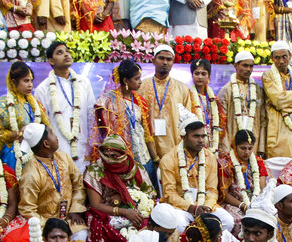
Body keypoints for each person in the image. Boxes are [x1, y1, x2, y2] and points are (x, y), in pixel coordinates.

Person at [84, 135, 157, 242]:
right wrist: (124, 211)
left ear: (123, 155)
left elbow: (150, 196)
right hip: (106, 213)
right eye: (106, 155)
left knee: (147, 228)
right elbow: (95, 204)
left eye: (114, 156)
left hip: (136, 210)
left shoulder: (135, 168)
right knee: (105, 231)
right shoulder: (95, 171)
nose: (110, 159)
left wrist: (133, 202)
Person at [95, 59, 157, 188]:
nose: (140, 81)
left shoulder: (141, 102)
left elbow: (147, 134)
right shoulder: (106, 102)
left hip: (143, 157)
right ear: (126, 81)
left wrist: (155, 158)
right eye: (136, 78)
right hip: (120, 158)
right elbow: (104, 135)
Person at [36, 41, 96, 174]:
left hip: (84, 141)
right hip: (59, 146)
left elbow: (92, 114)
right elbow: (43, 124)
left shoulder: (84, 82)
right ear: (51, 61)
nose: (66, 54)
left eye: (67, 51)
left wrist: (93, 143)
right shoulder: (43, 89)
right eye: (60, 52)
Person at [17, 123, 87, 231]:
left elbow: (78, 184)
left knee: (82, 235)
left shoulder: (63, 157)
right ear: (46, 143)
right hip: (46, 226)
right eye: (52, 134)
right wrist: (50, 226)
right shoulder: (31, 173)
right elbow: (27, 209)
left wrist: (75, 209)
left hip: (70, 219)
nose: (56, 136)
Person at [158, 105, 222, 223]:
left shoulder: (210, 157)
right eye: (196, 136)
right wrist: (192, 208)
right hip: (180, 207)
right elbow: (169, 193)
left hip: (205, 206)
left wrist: (206, 206)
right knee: (181, 224)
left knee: (227, 220)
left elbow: (212, 190)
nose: (201, 140)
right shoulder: (169, 159)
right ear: (183, 137)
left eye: (203, 136)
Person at [0, 61, 48, 174]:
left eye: (31, 81)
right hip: (13, 155)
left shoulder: (35, 104)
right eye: (26, 81)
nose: (30, 85)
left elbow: (47, 128)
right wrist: (21, 133)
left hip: (36, 153)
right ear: (14, 82)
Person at [141, 44, 192, 164]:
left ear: (173, 62)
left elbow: (187, 120)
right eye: (161, 58)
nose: (165, 62)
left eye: (169, 59)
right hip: (146, 146)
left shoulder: (182, 88)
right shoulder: (141, 86)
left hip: (174, 145)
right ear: (153, 61)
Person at [263, 43, 292, 158]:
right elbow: (278, 101)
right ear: (272, 59)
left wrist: (285, 101)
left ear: (290, 56)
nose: (281, 61)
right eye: (277, 58)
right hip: (277, 126)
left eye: (284, 56)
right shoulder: (268, 75)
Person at [217, 50, 267, 155]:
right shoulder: (226, 90)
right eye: (245, 65)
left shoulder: (258, 90)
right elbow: (221, 122)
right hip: (232, 139)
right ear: (235, 65)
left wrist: (261, 147)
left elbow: (263, 120)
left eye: (251, 66)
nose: (248, 69)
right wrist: (225, 148)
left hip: (254, 141)